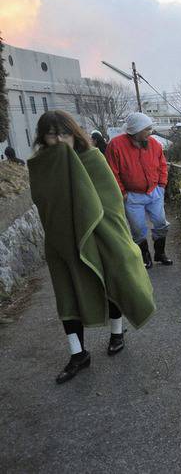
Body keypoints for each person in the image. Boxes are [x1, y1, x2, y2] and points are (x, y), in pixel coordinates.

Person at [27, 111, 156, 384]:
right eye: (52, 134)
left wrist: (102, 230)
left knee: (110, 281)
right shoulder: (41, 166)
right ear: (43, 138)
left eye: (65, 133)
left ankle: (117, 332)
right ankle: (78, 354)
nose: (60, 140)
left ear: (75, 134)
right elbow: (44, 203)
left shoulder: (93, 159)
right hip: (61, 239)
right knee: (68, 294)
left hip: (100, 234)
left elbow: (111, 202)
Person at [105, 112, 172, 268]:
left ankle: (160, 253)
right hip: (132, 196)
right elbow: (111, 171)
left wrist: (162, 185)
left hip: (154, 192)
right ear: (135, 130)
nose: (150, 132)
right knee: (138, 228)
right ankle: (144, 257)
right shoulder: (116, 145)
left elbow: (162, 165)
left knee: (161, 223)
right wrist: (122, 192)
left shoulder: (154, 144)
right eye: (147, 129)